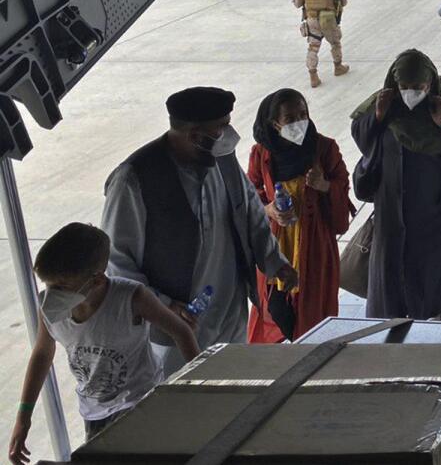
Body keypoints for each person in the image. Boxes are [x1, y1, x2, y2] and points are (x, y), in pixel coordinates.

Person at [101, 87, 297, 376]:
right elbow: (117, 262)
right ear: (194, 135)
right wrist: (163, 309)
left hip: (230, 311)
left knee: (231, 390)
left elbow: (250, 212)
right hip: (175, 327)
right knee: (184, 404)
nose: (229, 134)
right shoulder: (135, 179)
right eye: (221, 127)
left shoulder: (222, 158)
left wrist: (273, 260)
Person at [10, 224, 200, 457]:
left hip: (139, 402)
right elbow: (42, 353)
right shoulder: (50, 308)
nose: (52, 294)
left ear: (97, 280)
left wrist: (200, 386)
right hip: (94, 411)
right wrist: (24, 416)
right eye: (48, 285)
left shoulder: (131, 298)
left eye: (61, 287)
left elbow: (180, 330)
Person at [350, 50, 441, 319]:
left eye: (419, 87)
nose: (411, 93)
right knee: (391, 281)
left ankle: (431, 333)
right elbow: (361, 135)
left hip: (435, 214)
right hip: (391, 210)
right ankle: (390, 340)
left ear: (430, 84)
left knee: (431, 280)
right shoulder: (384, 103)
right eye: (405, 87)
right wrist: (378, 115)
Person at [246, 88, 351, 342]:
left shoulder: (324, 149)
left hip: (315, 244)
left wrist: (324, 185)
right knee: (275, 305)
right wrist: (268, 209)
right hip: (277, 243)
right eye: (290, 119)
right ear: (274, 124)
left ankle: (306, 353)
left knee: (312, 310)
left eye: (303, 114)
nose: (299, 123)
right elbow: (250, 194)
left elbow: (342, 184)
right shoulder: (262, 154)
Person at [294, 0, 350, 89]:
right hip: (329, 20)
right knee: (335, 43)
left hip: (312, 21)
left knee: (313, 48)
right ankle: (338, 67)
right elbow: (344, 1)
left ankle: (313, 76)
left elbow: (297, 3)